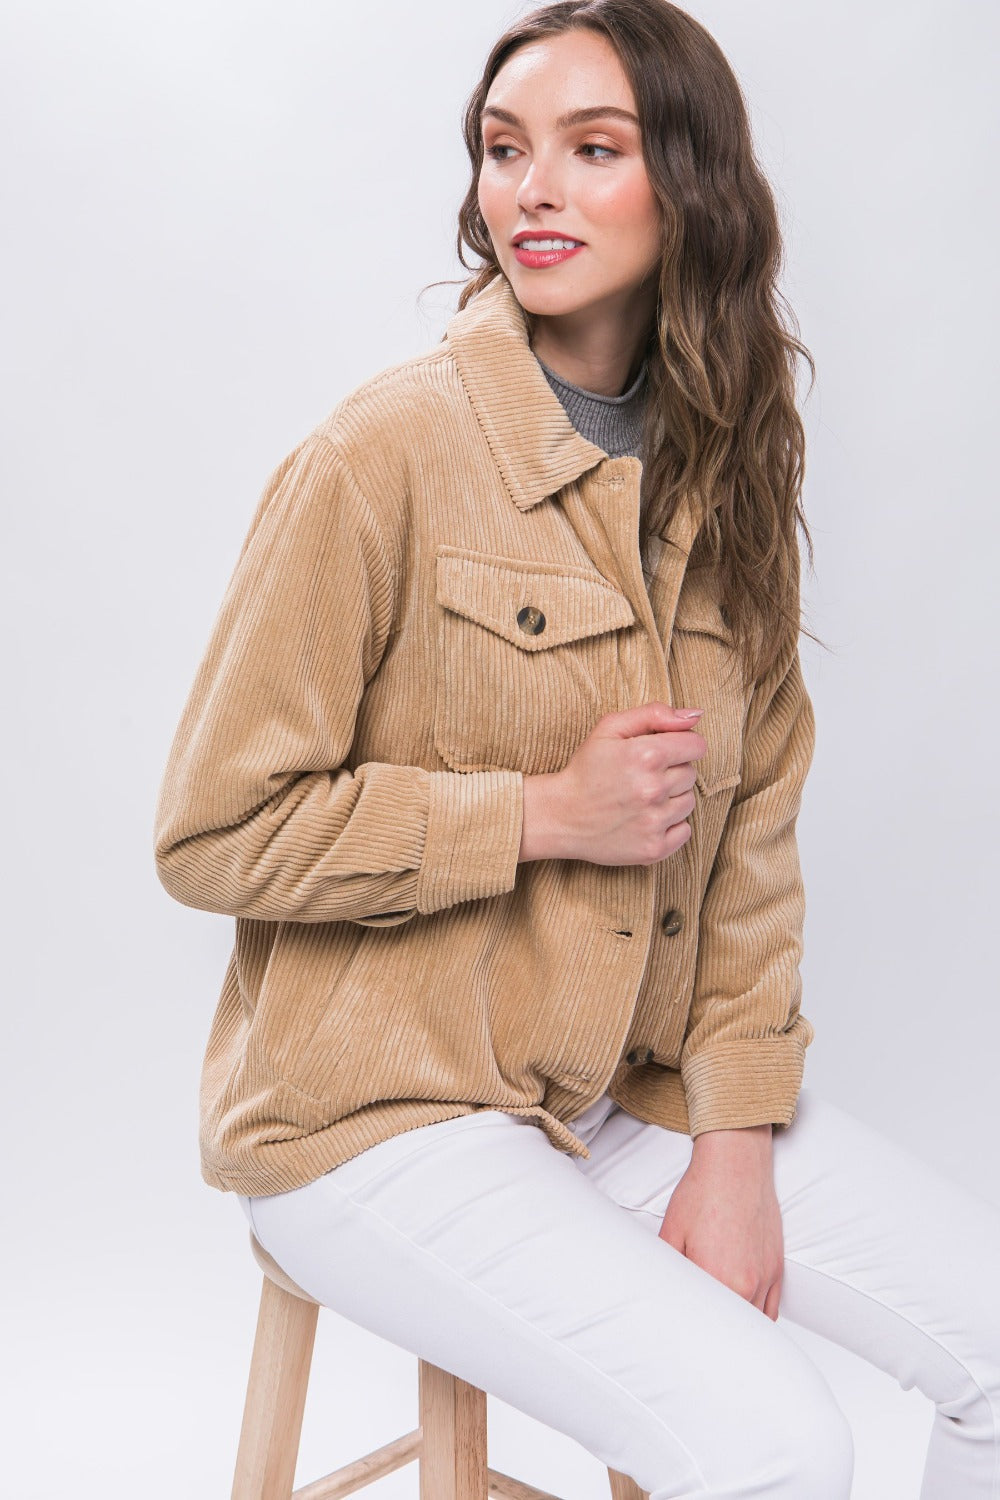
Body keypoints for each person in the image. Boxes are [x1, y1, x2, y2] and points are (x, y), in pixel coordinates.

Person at [153, 2, 1000, 1495]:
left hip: (613, 1096)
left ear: (686, 186)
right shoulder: (382, 454)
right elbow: (214, 831)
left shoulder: (722, 470)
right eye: (502, 150)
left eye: (590, 149)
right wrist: (539, 813)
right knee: (776, 1444)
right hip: (372, 1113)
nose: (530, 190)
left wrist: (734, 1151)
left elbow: (749, 858)